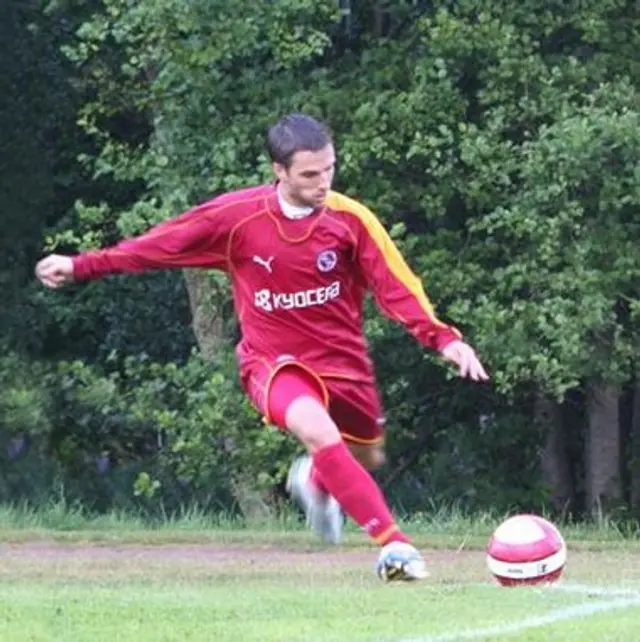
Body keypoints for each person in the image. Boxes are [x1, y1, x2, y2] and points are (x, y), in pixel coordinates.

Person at [35, 113, 489, 582]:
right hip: (273, 363)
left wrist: (444, 338)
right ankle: (395, 546)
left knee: (366, 455)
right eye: (310, 174)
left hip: (344, 362)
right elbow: (160, 245)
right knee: (317, 431)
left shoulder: (350, 220)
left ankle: (315, 480)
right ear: (280, 171)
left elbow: (397, 284)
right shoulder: (238, 219)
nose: (323, 181)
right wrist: (82, 265)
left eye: (329, 169)